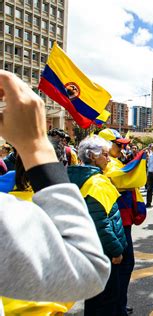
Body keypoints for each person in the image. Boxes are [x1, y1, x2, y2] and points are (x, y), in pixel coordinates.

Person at [0, 70, 110, 313]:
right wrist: (37, 146)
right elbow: (88, 270)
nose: (109, 157)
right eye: (104, 153)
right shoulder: (21, 210)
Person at [70, 136, 127, 315]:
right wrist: (116, 250)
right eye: (104, 154)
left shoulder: (78, 176)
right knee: (106, 301)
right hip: (103, 253)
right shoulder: (96, 183)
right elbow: (101, 223)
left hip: (88, 250)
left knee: (95, 300)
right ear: (92, 157)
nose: (108, 158)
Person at [99, 128, 146, 316]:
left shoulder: (114, 162)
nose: (121, 149)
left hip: (122, 220)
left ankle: (119, 303)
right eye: (118, 145)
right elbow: (126, 179)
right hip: (116, 221)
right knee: (122, 264)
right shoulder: (108, 166)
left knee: (123, 265)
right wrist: (138, 161)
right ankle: (117, 307)